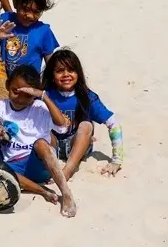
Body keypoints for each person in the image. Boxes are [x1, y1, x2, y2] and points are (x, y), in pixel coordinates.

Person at [0, 65, 77, 218]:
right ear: (8, 86)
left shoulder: (40, 107)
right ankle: (42, 191)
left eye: (27, 95)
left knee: (41, 143)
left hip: (39, 164)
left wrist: (43, 96)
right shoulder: (0, 105)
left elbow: (62, 127)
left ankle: (66, 193)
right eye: (15, 91)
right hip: (14, 167)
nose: (20, 99)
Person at [42, 48, 125, 180]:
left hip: (76, 147)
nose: (66, 74)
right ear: (51, 75)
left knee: (86, 125)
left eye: (71, 70)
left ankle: (67, 171)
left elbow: (114, 123)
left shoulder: (87, 97)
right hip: (52, 146)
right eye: (59, 71)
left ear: (78, 73)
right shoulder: (45, 95)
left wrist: (116, 160)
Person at [0, 0, 59, 75]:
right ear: (15, 4)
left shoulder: (44, 31)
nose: (29, 15)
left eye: (36, 12)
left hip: (30, 85)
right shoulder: (6, 20)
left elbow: (50, 64)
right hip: (5, 82)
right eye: (25, 9)